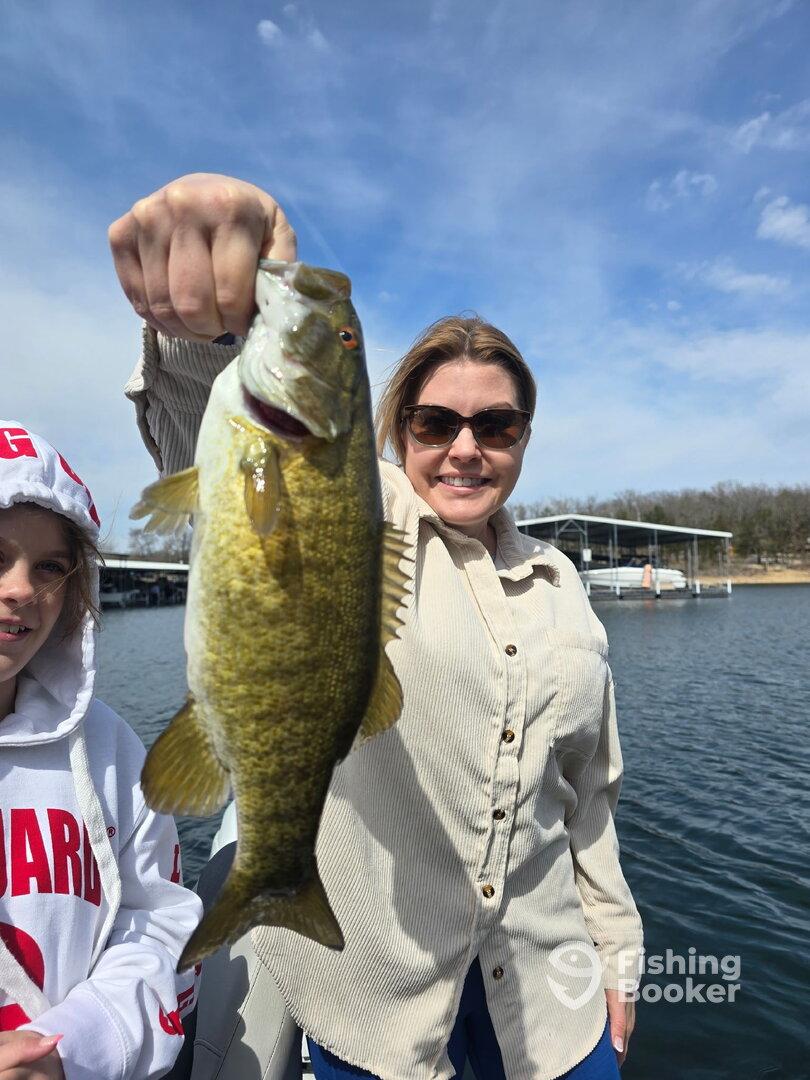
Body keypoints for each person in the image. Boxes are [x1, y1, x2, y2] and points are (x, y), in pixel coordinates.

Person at [109, 174, 644, 1080]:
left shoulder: (565, 589)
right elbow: (203, 421)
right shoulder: (363, 508)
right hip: (382, 1007)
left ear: (523, 438)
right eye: (436, 422)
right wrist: (227, 291)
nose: (466, 447)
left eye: (497, 424)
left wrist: (619, 954)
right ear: (394, 430)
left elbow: (589, 798)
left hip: (556, 1003)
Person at [0, 422, 203, 1079]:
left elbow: (157, 928)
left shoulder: (111, 747)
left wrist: (65, 1053)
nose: (21, 589)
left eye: (50, 567)